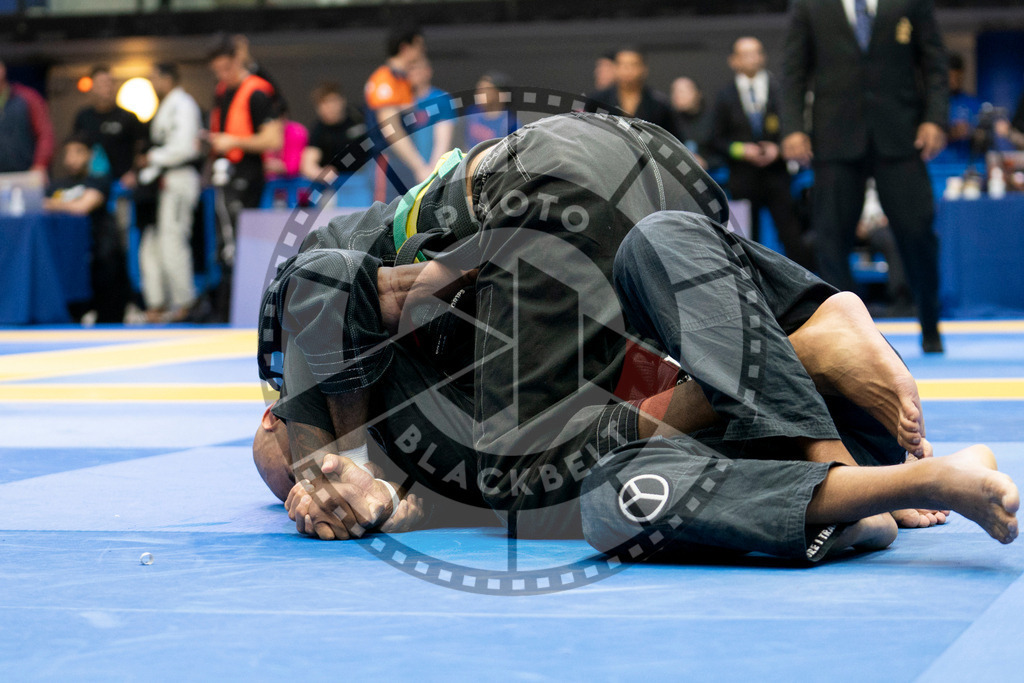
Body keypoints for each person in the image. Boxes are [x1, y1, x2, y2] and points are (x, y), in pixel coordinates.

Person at [253, 113, 1013, 559]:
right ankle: (851, 461)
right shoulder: (431, 428)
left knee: (526, 476)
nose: (305, 502)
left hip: (537, 187)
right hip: (657, 183)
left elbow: (319, 298)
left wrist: (330, 462)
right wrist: (377, 491)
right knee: (608, 495)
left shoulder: (332, 299)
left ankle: (814, 355)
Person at [781, 0, 948, 353]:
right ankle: (847, 338)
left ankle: (930, 323)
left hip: (900, 133)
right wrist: (793, 128)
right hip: (835, 134)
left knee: (918, 232)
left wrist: (935, 117)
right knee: (830, 240)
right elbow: (793, 70)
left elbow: (934, 63)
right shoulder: (810, 6)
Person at [712, 37, 814, 270]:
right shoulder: (725, 96)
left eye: (756, 52)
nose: (751, 58)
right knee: (743, 240)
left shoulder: (781, 91)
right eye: (744, 54)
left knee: (792, 237)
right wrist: (741, 150)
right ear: (733, 60)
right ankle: (750, 293)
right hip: (743, 179)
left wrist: (778, 149)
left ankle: (805, 291)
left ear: (763, 56)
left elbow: (796, 130)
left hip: (777, 176)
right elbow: (716, 141)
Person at [136, 62, 203, 323]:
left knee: (173, 240)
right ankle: (157, 303)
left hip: (177, 179)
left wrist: (152, 156)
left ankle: (185, 302)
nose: (153, 84)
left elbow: (186, 147)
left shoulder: (183, 104)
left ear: (168, 79)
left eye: (155, 78)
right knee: (152, 243)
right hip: (158, 182)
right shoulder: (167, 106)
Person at [44, 132, 128, 324]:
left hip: (99, 256)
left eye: (78, 152)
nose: (71, 158)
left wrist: (52, 204)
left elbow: (82, 207)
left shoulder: (98, 179)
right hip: (66, 259)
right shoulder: (57, 185)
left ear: (90, 155)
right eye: (68, 153)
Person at [364, 24, 432, 202]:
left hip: (403, 163)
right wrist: (419, 166)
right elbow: (391, 130)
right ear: (405, 48)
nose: (423, 50)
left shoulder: (405, 81)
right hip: (387, 165)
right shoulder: (384, 80)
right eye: (419, 45)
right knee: (385, 223)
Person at [72, 65, 146, 190]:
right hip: (91, 182)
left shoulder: (128, 117)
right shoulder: (83, 117)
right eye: (102, 83)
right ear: (93, 87)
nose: (107, 87)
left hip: (121, 183)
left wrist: (134, 173)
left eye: (110, 82)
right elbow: (75, 148)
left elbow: (141, 150)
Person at [584, 46, 677, 139]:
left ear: (644, 68)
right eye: (622, 65)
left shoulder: (659, 104)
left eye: (633, 65)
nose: (627, 70)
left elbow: (672, 140)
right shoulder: (597, 101)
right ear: (615, 68)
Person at [301, 83, 367, 182]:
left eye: (333, 101)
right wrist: (320, 173)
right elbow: (308, 165)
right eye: (324, 103)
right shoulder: (319, 131)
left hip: (367, 178)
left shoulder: (358, 116)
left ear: (342, 100)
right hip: (338, 184)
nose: (329, 107)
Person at [0, 59, 54, 176]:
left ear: (2, 69)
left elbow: (45, 134)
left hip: (26, 173)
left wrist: (40, 165)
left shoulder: (27, 97)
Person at [407, 58, 456, 170]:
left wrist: (431, 172)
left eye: (416, 69)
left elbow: (443, 142)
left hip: (431, 168)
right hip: (406, 169)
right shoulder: (401, 103)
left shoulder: (441, 99)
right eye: (409, 69)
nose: (413, 73)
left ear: (427, 71)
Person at [463, 72, 519, 149]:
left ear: (502, 95)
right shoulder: (472, 113)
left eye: (486, 90)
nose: (479, 94)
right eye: (479, 89)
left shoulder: (510, 123)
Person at [669, 76, 715, 169]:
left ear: (698, 93)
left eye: (683, 91)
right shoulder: (668, 121)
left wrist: (707, 163)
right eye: (674, 91)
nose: (677, 96)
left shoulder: (714, 119)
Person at [264, 104, 308, 182]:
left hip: (292, 184)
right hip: (267, 184)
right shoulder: (262, 133)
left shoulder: (297, 132)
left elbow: (293, 166)